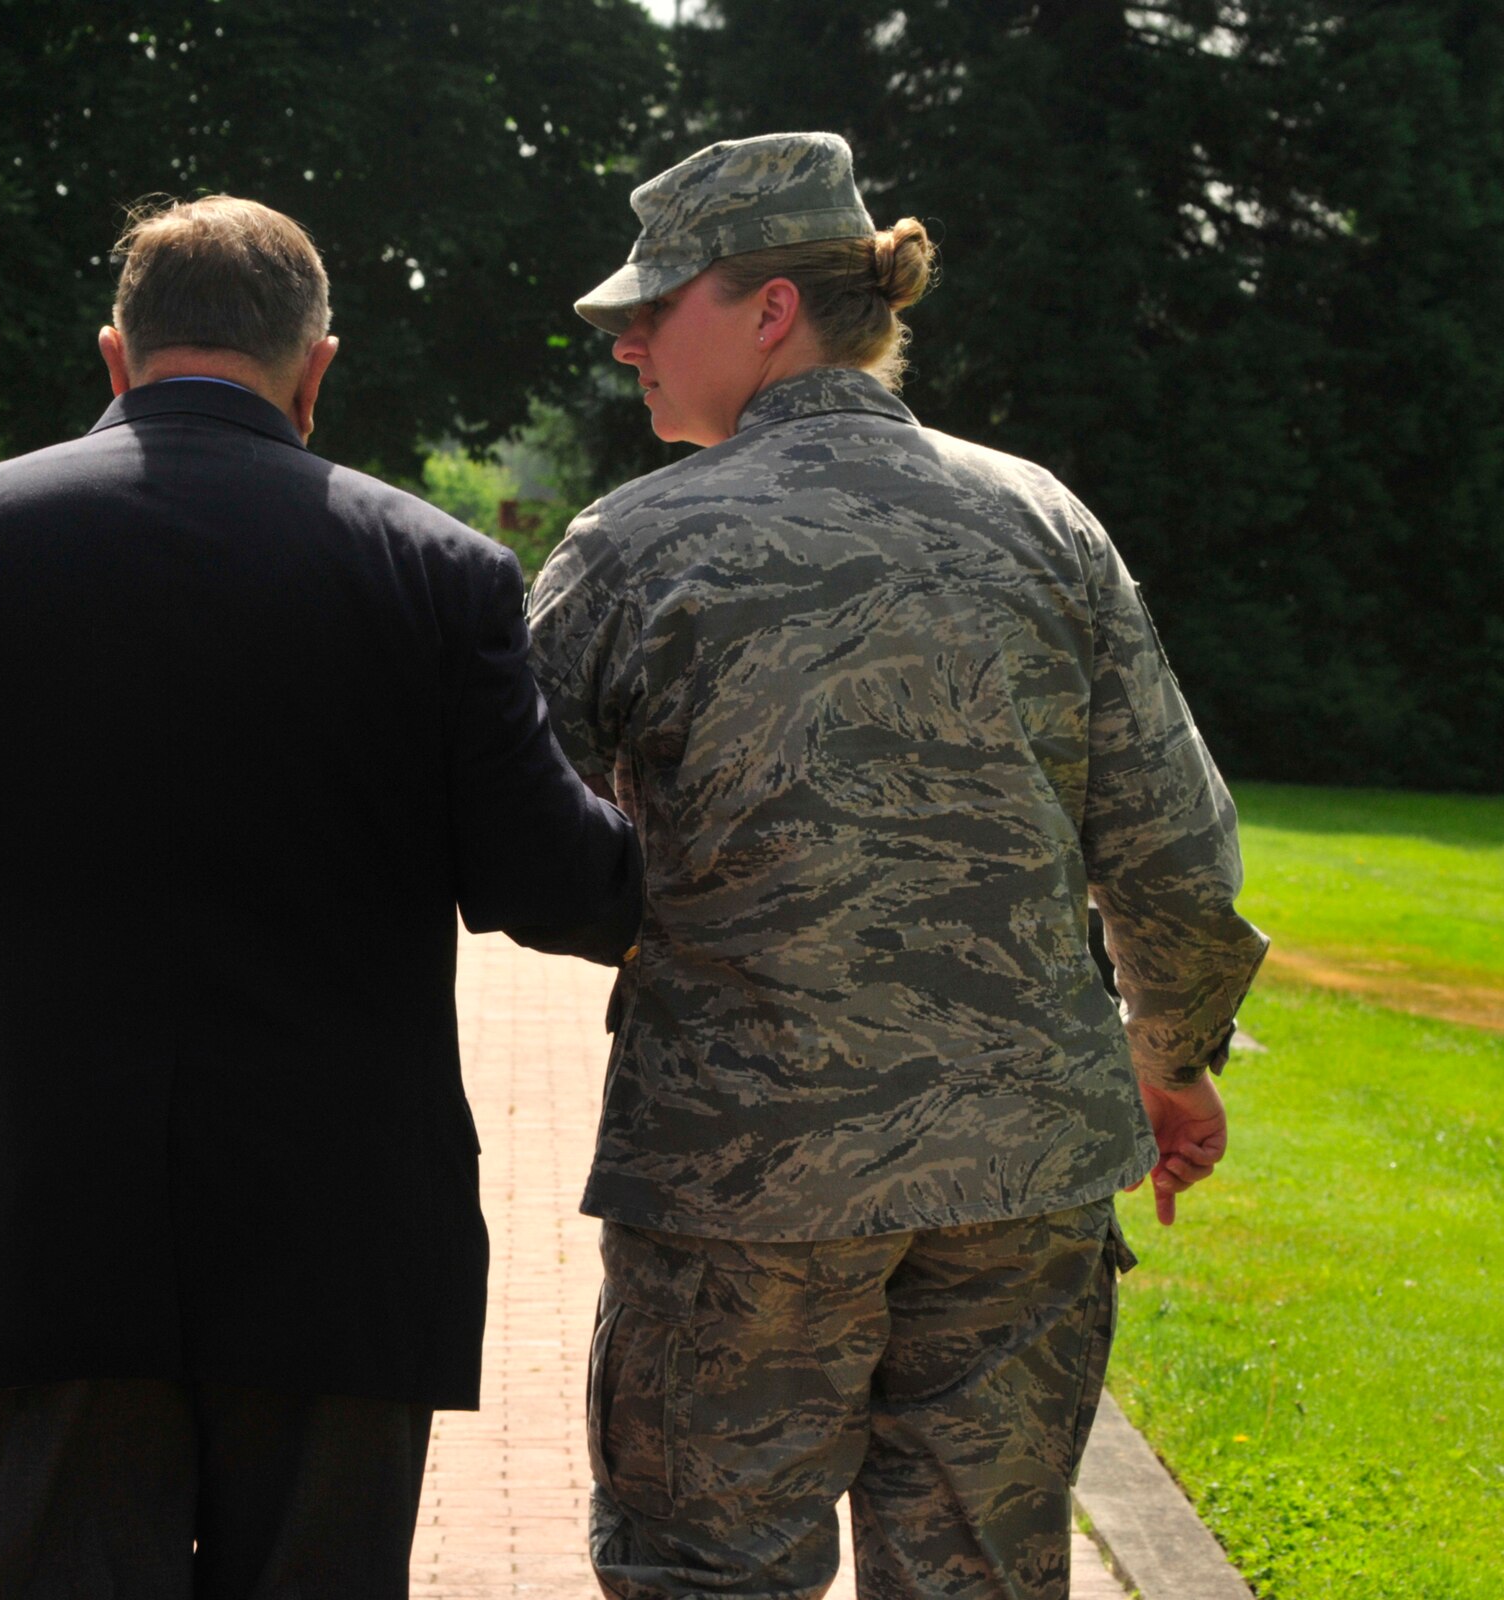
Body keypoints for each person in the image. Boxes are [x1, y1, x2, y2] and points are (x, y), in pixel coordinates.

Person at [0, 194, 643, 1599]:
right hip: (340, 1240)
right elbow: (550, 882)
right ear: (318, 365)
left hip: (41, 1234)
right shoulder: (439, 572)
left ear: (116, 354)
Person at [526, 132, 1269, 1600]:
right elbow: (1178, 852)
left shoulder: (632, 548)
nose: (623, 344)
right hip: (1022, 1183)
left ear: (770, 309)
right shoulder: (1047, 524)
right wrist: (1171, 1057)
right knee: (981, 1577)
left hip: (747, 1183)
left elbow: (502, 826)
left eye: (650, 307)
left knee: (709, 1571)